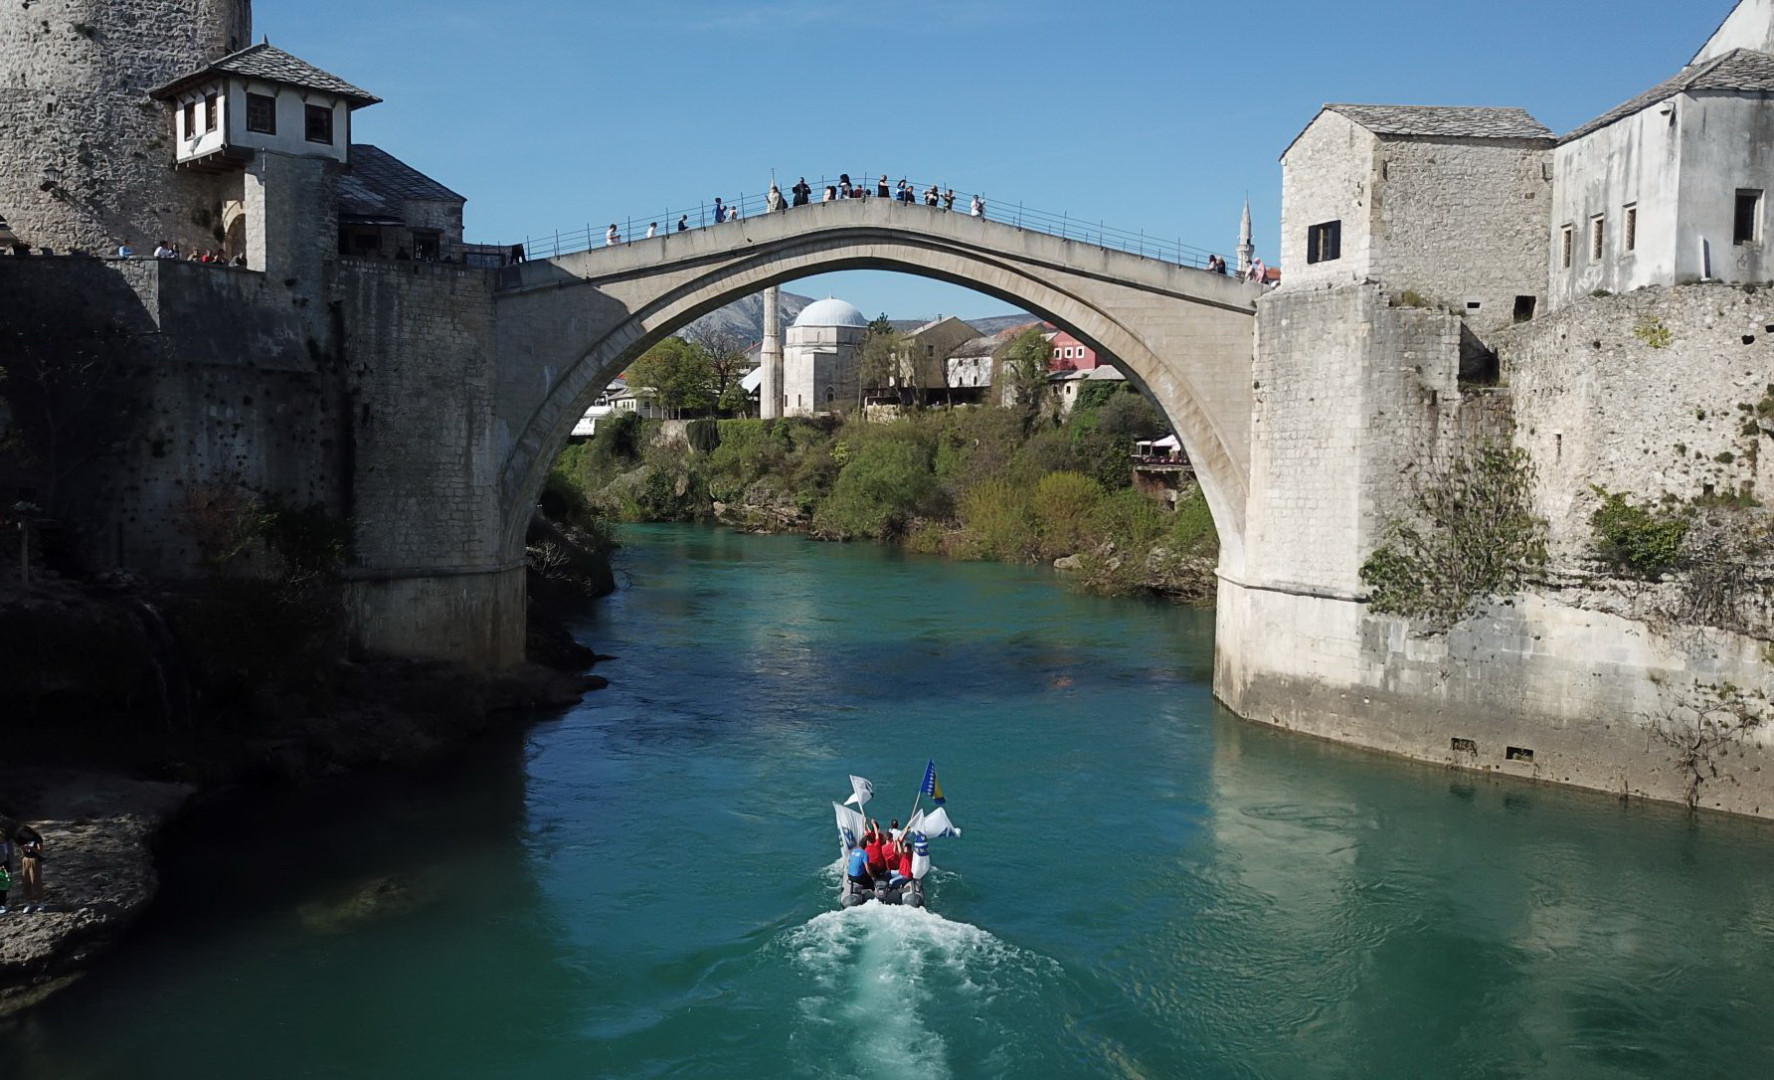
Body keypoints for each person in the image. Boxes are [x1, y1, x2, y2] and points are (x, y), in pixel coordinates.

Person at [15, 825, 43, 913]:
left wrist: (31, 848)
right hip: (25, 860)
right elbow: (23, 852)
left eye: (24, 833)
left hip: (34, 860)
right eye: (22, 834)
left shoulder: (37, 838)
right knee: (25, 882)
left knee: (35, 881)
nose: (24, 835)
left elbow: (40, 851)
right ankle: (29, 903)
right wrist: (23, 850)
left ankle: (40, 902)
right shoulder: (22, 839)